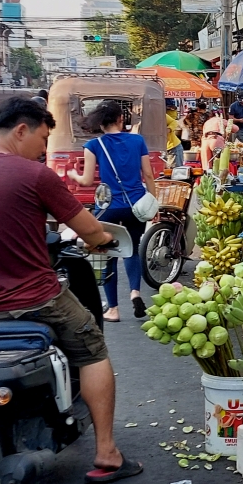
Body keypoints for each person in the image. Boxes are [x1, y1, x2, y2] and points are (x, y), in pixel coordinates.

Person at [0, 98, 141, 484]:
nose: (43, 149)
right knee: (92, 349)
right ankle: (106, 451)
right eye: (42, 137)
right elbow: (87, 229)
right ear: (21, 129)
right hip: (36, 302)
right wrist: (101, 238)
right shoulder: (34, 176)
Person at [77, 100, 153, 322]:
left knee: (109, 253)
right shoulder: (137, 140)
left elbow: (87, 180)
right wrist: (152, 202)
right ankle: (135, 293)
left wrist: (74, 177)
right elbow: (148, 174)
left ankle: (113, 309)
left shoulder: (93, 145)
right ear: (122, 119)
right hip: (136, 206)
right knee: (132, 248)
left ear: (100, 123)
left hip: (109, 207)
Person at [164, 99, 183, 167]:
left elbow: (174, 122)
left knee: (176, 173)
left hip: (172, 147)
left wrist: (168, 129)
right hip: (159, 150)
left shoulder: (160, 115)